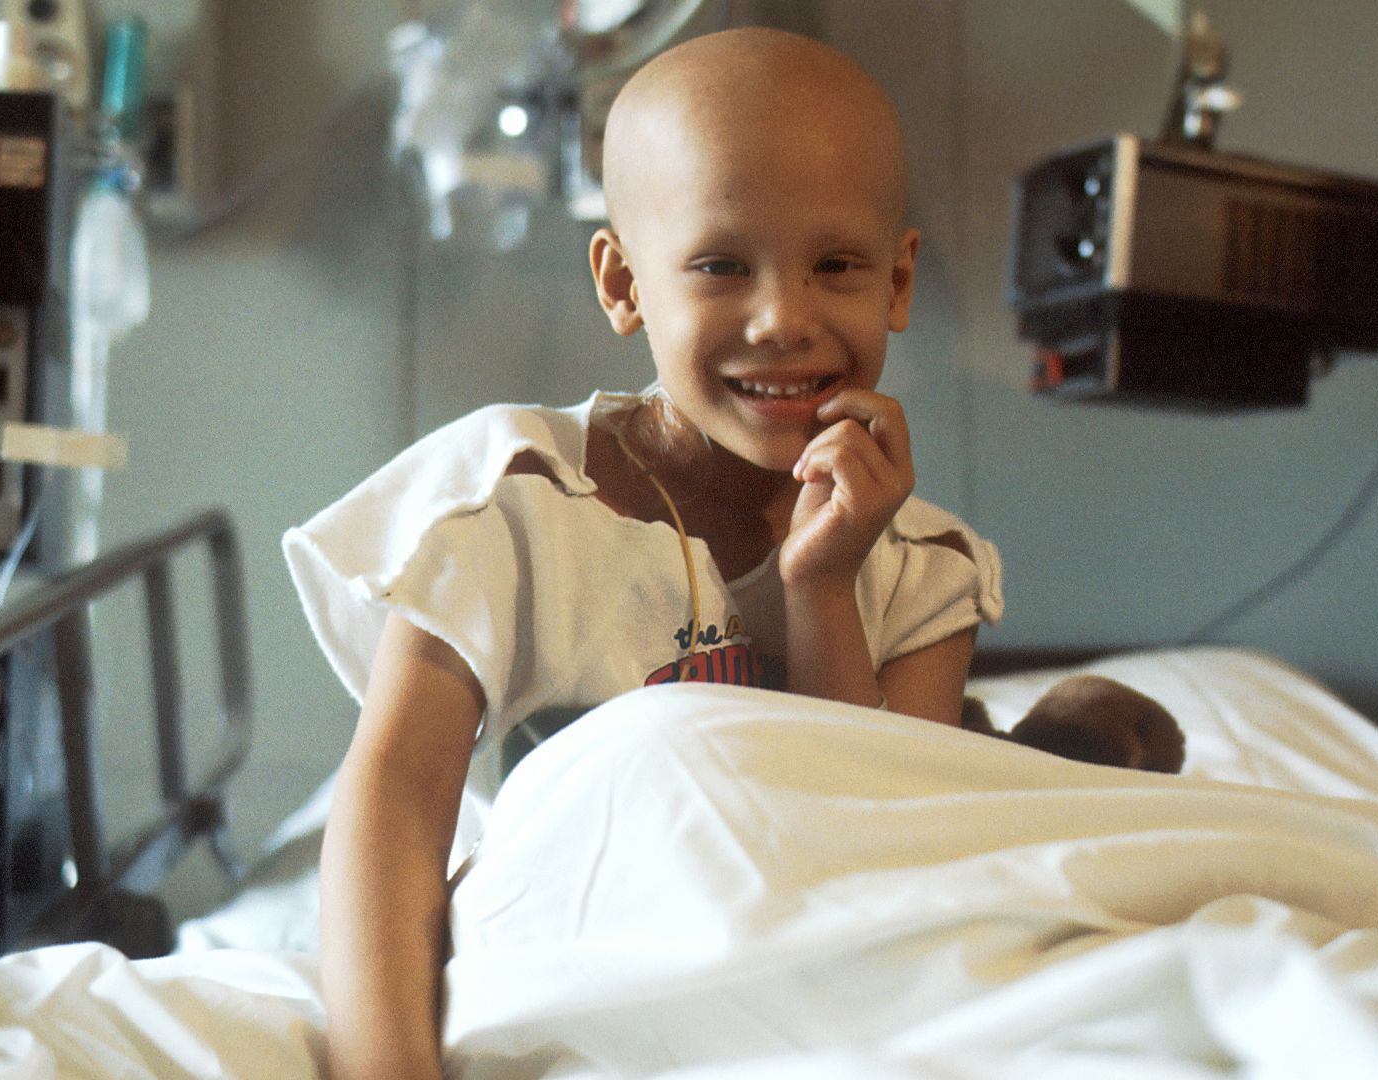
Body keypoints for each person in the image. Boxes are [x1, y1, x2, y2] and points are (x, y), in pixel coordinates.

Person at [283, 28, 1002, 1080]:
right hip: (572, 969)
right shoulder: (510, 504)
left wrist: (822, 588)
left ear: (896, 283)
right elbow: (394, 802)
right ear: (623, 283)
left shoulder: (925, 572)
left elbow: (870, 855)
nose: (782, 319)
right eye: (720, 266)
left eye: (836, 266)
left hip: (796, 1012)